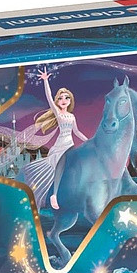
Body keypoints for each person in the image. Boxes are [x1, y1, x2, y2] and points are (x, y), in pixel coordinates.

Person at [23, 70, 87, 210]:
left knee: (76, 165)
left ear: (70, 100)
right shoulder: (58, 113)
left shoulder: (72, 116)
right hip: (61, 144)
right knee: (61, 164)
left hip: (70, 143)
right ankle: (54, 195)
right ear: (57, 101)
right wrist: (46, 81)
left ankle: (76, 192)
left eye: (66, 98)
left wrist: (87, 140)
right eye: (60, 98)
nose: (63, 100)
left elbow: (76, 132)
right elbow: (49, 97)